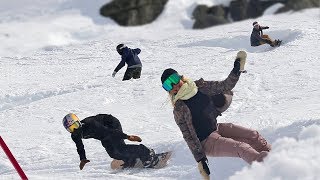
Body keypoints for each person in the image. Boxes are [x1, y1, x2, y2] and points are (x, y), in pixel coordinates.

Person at [160, 52, 271, 179]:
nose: (174, 86)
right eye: (168, 85)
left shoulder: (200, 87)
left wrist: (236, 70)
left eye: (174, 79)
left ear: (180, 77)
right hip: (206, 142)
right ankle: (269, 169)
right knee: (242, 148)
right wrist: (200, 160)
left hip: (216, 128)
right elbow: (188, 136)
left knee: (253, 135)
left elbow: (225, 86)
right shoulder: (179, 109)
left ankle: (277, 157)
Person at [62, 113, 159, 170]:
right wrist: (83, 159)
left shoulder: (90, 124)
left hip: (111, 125)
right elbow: (80, 147)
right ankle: (130, 159)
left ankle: (147, 153)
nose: (74, 130)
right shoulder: (75, 135)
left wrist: (127, 137)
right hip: (103, 135)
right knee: (113, 153)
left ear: (78, 122)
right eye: (71, 129)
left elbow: (110, 132)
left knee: (120, 148)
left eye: (75, 126)